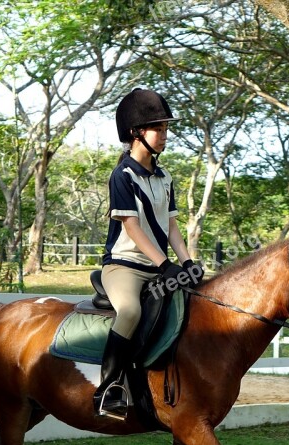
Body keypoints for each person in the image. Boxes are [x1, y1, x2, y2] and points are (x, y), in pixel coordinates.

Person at [95, 88, 202, 420]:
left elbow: (171, 228)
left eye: (167, 129)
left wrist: (187, 262)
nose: (164, 135)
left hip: (161, 268)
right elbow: (133, 228)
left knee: (196, 304)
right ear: (135, 133)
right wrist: (165, 264)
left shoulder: (165, 177)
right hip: (124, 267)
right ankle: (108, 388)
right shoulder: (122, 176)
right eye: (158, 128)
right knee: (129, 311)